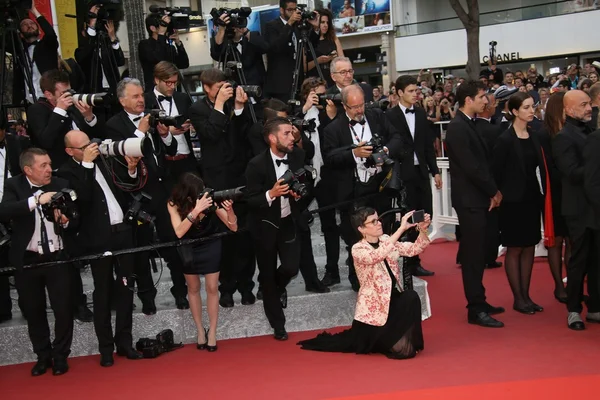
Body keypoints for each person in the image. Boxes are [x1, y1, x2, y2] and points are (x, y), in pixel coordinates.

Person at [298, 208, 430, 359]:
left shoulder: (386, 239)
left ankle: (397, 338)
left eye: (378, 219)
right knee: (403, 351)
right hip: (373, 314)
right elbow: (377, 256)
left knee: (410, 297)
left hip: (391, 301)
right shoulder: (358, 249)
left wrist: (423, 230)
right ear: (361, 229)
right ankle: (383, 340)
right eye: (373, 222)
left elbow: (414, 249)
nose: (379, 223)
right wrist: (400, 230)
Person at [58, 130, 142, 366]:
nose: (90, 147)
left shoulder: (105, 160)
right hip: (97, 239)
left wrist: (132, 168)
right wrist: (85, 165)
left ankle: (125, 342)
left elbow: (127, 186)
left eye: (90, 143)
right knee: (102, 292)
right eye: (83, 146)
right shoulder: (67, 172)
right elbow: (81, 200)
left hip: (123, 233)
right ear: (70, 151)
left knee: (126, 288)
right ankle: (106, 348)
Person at [107, 78, 188, 313]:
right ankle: (147, 298)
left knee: (174, 245)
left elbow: (170, 151)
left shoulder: (153, 118)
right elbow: (122, 161)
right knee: (141, 251)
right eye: (135, 96)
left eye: (142, 95)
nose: (141, 99)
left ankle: (180, 292)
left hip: (163, 193)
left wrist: (164, 135)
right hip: (138, 197)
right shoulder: (114, 125)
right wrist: (139, 131)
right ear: (122, 100)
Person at [0, 148, 76, 376]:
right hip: (28, 259)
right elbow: (4, 211)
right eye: (43, 165)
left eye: (49, 164)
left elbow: (77, 214)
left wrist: (66, 221)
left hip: (57, 257)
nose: (48, 169)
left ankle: (61, 356)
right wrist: (35, 200)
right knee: (34, 311)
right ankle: (43, 356)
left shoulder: (61, 182)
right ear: (27, 170)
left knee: (63, 310)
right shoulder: (15, 186)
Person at [321, 84, 404, 290]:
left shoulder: (377, 116)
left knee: (381, 231)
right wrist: (353, 154)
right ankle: (358, 279)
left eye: (362, 105)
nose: (359, 110)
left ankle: (384, 274)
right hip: (352, 191)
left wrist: (385, 149)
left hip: (380, 186)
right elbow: (329, 158)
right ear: (344, 106)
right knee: (355, 237)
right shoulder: (333, 128)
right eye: (354, 107)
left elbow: (396, 138)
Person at [188, 68, 256, 308]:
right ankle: (226, 288)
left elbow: (243, 135)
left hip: (239, 177)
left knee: (245, 236)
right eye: (217, 88)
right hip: (216, 181)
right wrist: (219, 105)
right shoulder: (197, 109)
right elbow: (210, 134)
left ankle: (247, 286)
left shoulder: (231, 104)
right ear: (206, 88)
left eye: (224, 86)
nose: (222, 92)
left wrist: (238, 108)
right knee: (223, 239)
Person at [445, 81, 506, 328]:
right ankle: (475, 308)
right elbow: (472, 166)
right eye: (482, 97)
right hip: (470, 200)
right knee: (472, 255)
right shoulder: (458, 127)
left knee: (479, 253)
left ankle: (480, 300)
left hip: (477, 198)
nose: (486, 101)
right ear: (468, 100)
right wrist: (494, 191)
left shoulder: (467, 124)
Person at [245, 117, 307, 340]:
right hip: (265, 226)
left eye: (292, 133)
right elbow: (250, 200)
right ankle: (278, 324)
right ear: (272, 138)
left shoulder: (298, 156)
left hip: (289, 221)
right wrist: (271, 193)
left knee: (291, 267)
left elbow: (306, 183)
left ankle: (277, 287)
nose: (293, 138)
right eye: (287, 134)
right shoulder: (256, 165)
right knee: (268, 274)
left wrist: (298, 194)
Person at [167, 173, 238, 352]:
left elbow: (233, 227)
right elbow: (179, 232)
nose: (201, 197)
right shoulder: (173, 204)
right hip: (188, 247)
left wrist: (230, 211)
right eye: (197, 194)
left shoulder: (209, 201)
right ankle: (200, 330)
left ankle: (212, 332)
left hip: (210, 244)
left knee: (213, 287)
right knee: (193, 288)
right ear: (187, 194)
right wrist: (196, 210)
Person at [492, 92, 547, 314]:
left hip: (532, 199)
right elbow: (495, 171)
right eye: (526, 107)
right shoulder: (504, 139)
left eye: (532, 106)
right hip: (512, 202)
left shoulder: (535, 136)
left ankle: (526, 295)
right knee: (515, 248)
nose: (531, 110)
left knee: (530, 246)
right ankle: (518, 298)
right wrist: (499, 195)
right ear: (515, 111)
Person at [552, 90, 600, 330]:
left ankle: (594, 307)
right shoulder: (563, 137)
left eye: (590, 103)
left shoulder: (591, 132)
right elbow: (571, 172)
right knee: (578, 259)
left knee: (597, 259)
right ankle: (573, 310)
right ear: (569, 110)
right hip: (578, 208)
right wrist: (595, 170)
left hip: (595, 205)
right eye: (584, 105)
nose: (589, 108)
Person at [385, 75, 440, 277]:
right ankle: (408, 261)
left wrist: (435, 171)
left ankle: (415, 259)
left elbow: (427, 145)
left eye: (416, 91)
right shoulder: (390, 115)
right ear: (399, 93)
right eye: (410, 91)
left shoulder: (420, 112)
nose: (415, 94)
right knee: (407, 216)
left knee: (424, 215)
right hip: (402, 174)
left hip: (421, 172)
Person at [27, 70, 104, 168]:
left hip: (88, 161)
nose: (68, 96)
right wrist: (60, 111)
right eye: (63, 93)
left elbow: (97, 135)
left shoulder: (73, 107)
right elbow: (46, 141)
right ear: (48, 94)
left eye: (69, 91)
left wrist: (89, 117)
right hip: (61, 168)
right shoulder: (37, 110)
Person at [537, 92, 569, 303]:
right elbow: (548, 167)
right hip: (554, 195)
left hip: (573, 195)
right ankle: (559, 286)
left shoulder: (573, 131)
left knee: (573, 241)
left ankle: (572, 283)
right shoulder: (544, 134)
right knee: (556, 242)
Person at [144, 62, 196, 180]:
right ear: (157, 80)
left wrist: (192, 128)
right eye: (168, 83)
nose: (172, 86)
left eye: (175, 82)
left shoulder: (182, 98)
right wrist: (169, 132)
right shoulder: (145, 100)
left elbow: (193, 123)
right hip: (163, 164)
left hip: (186, 159)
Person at [0, 116, 29, 323]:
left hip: (17, 207)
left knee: (22, 261)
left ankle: (28, 307)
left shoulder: (13, 143)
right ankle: (3, 310)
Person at [263, 0, 319, 102]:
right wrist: (289, 24)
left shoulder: (298, 25)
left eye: (295, 9)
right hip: (281, 83)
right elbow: (276, 47)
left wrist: (314, 27)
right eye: (290, 10)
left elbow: (312, 45)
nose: (293, 13)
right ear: (281, 10)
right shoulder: (271, 26)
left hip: (299, 80)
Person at [11, 4, 58, 105]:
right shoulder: (21, 53)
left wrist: (34, 11)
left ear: (39, 29)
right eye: (24, 25)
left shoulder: (47, 46)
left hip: (50, 98)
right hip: (30, 101)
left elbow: (50, 34)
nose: (29, 25)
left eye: (32, 23)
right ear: (21, 34)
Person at [210, 11, 268, 88]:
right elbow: (215, 55)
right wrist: (221, 29)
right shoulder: (224, 43)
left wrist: (244, 30)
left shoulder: (252, 36)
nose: (236, 28)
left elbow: (265, 47)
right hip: (235, 89)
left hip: (257, 88)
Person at [74, 5, 125, 93]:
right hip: (93, 91)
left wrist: (113, 38)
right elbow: (88, 51)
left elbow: (120, 61)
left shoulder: (108, 49)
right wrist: (92, 25)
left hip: (112, 90)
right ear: (83, 32)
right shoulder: (80, 51)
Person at [138, 12, 189, 91]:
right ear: (153, 28)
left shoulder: (169, 47)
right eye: (162, 25)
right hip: (155, 91)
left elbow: (184, 64)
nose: (165, 27)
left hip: (173, 91)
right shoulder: (144, 45)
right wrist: (161, 34)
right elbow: (158, 58)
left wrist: (178, 44)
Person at [304, 9, 344, 88]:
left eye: (327, 22)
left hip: (332, 80)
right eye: (322, 22)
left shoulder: (333, 38)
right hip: (314, 82)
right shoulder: (307, 41)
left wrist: (334, 58)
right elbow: (304, 68)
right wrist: (318, 60)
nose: (325, 25)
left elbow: (343, 61)